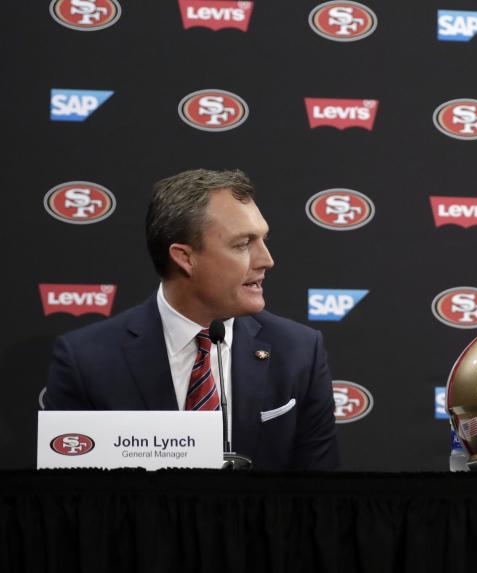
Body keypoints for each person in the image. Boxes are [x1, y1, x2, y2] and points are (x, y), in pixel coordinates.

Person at [45, 169, 339, 471]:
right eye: (243, 244)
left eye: (263, 239)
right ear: (185, 257)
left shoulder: (300, 351)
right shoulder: (85, 360)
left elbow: (319, 496)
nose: (266, 260)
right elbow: (72, 499)